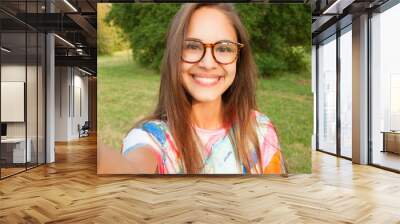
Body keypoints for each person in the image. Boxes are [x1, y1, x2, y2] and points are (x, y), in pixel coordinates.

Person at [121, 3, 287, 174]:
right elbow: (131, 169)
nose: (208, 64)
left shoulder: (260, 129)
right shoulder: (150, 138)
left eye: (223, 48)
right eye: (192, 46)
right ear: (174, 54)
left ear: (239, 59)